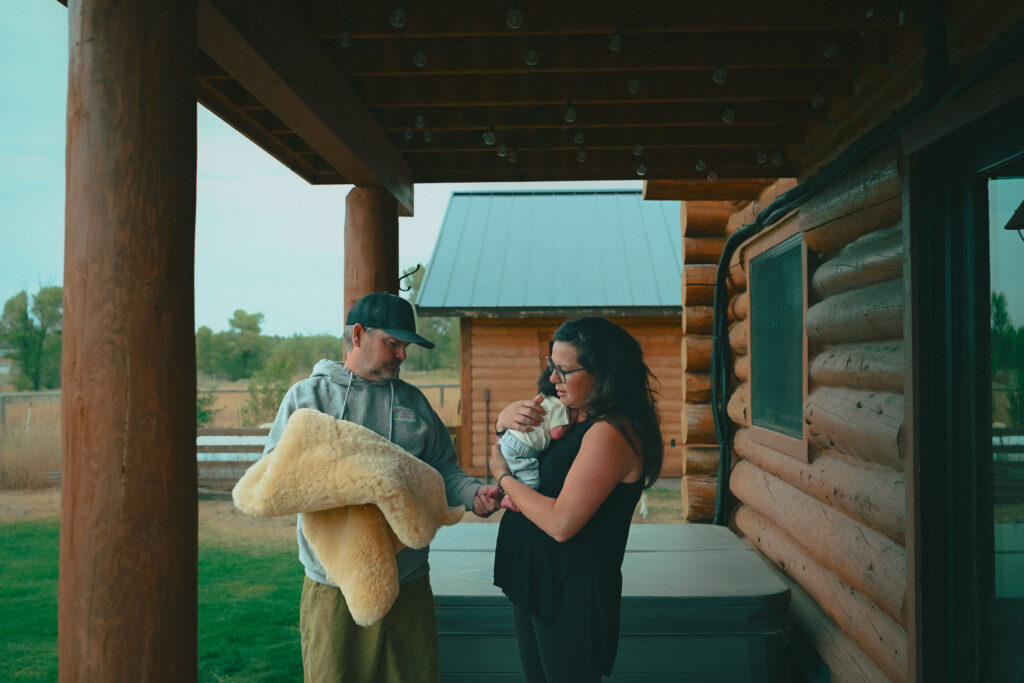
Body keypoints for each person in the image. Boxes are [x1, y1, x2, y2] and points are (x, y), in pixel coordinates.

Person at [261, 291, 501, 683]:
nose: (402, 355)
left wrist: (474, 494)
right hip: (334, 585)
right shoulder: (308, 398)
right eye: (393, 343)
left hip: (408, 582)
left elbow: (443, 470)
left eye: (405, 345)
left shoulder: (415, 403)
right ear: (358, 335)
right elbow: (276, 475)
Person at [490, 317, 664, 683]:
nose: (553, 378)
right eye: (551, 365)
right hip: (539, 579)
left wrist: (502, 475)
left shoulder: (609, 433)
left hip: (570, 593)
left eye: (564, 370)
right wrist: (502, 422)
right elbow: (526, 451)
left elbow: (560, 523)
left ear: (604, 372)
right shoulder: (572, 415)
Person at [496, 368, 575, 512]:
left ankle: (500, 490)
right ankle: (509, 498)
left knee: (514, 471)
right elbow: (557, 433)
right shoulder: (560, 405)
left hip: (508, 439)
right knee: (530, 483)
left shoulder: (541, 398)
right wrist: (569, 422)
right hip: (522, 447)